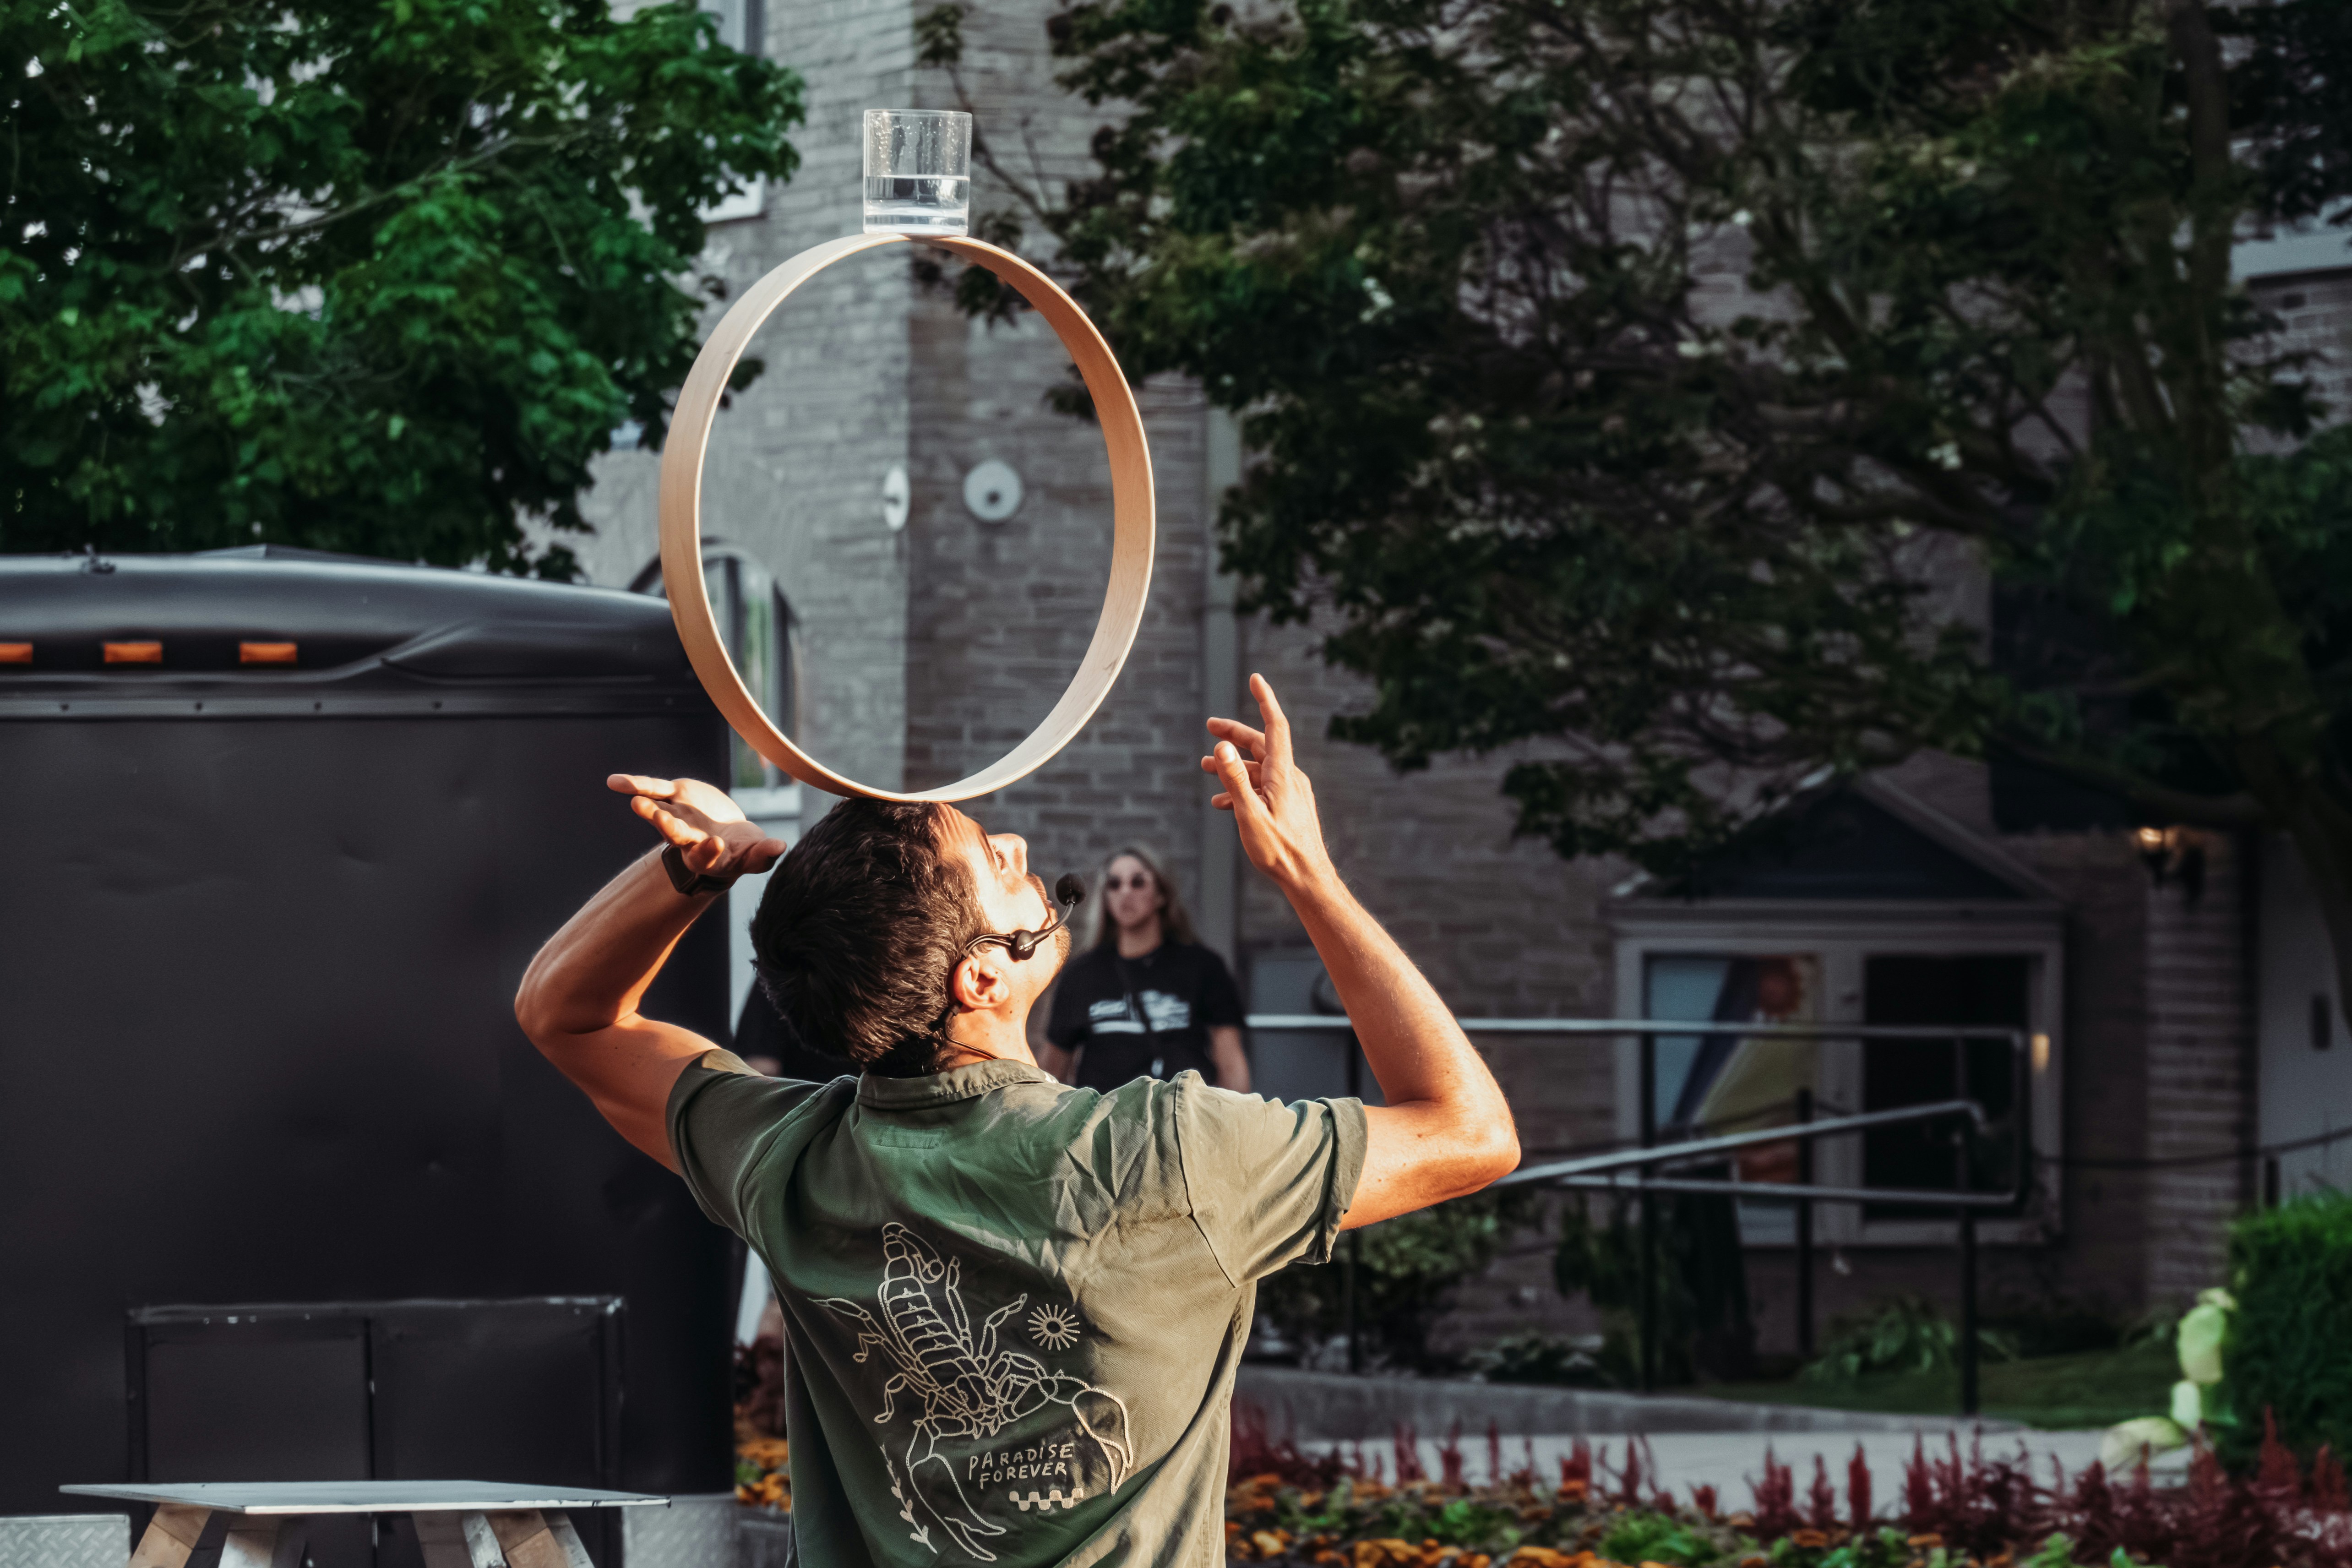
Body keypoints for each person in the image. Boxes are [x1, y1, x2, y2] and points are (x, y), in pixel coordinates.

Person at [513, 674, 1519, 1568]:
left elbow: (563, 1012)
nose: (1020, 843)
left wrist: (697, 868)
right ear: (982, 974)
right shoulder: (1167, 1152)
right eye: (993, 859)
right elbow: (1472, 1131)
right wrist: (1308, 871)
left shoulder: (784, 1155)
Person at [1042, 844, 1249, 1091]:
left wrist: (1231, 1125)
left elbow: (1231, 1063)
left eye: (1138, 883)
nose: (1125, 893)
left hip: (1182, 1120)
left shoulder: (1202, 966)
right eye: (1114, 885)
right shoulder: (1082, 973)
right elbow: (1052, 1071)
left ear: (1162, 895)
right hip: (1103, 1122)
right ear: (1105, 898)